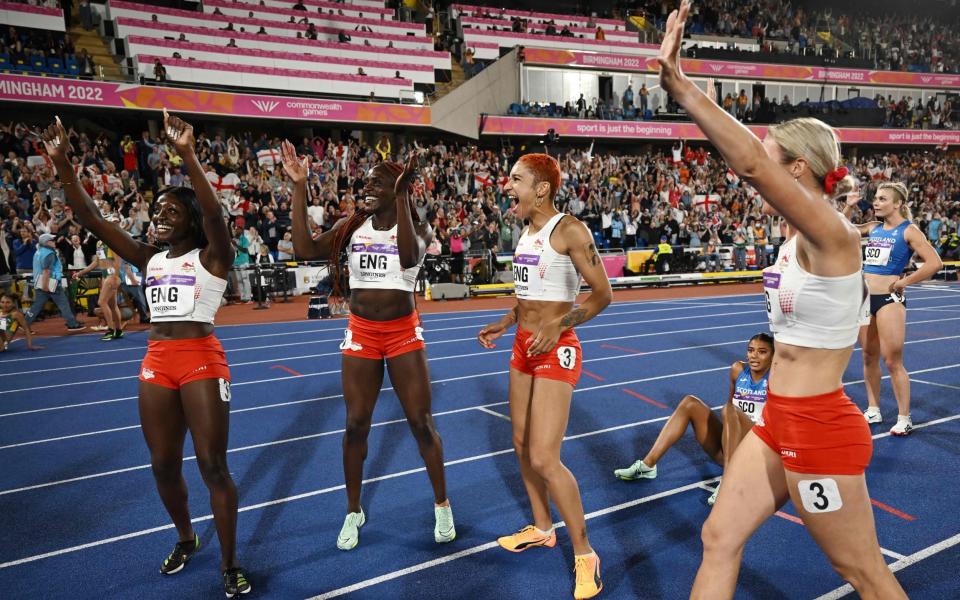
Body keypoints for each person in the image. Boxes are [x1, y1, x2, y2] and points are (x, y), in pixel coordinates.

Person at [658, 3, 907, 599]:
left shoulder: (833, 235)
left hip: (820, 427)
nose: (754, 168)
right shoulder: (797, 238)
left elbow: (744, 161)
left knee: (863, 573)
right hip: (777, 418)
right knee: (718, 537)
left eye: (770, 159)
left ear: (796, 168)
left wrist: (681, 84)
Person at [41, 112, 251, 598]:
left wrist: (189, 157)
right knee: (161, 464)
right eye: (155, 212)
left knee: (212, 465)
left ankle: (230, 562)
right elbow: (90, 217)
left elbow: (215, 215)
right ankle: (186, 537)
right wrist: (63, 166)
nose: (158, 217)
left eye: (169, 212)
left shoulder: (212, 255)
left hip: (201, 358)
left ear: (191, 222)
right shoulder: (147, 258)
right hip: (157, 362)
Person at [281, 140, 455, 551]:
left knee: (420, 423)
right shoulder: (352, 225)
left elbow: (410, 257)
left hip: (402, 333)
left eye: (377, 183)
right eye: (365, 183)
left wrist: (401, 197)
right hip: (361, 331)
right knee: (355, 424)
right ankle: (353, 510)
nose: (365, 188)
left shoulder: (417, 228)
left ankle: (442, 504)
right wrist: (299, 187)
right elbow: (305, 249)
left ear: (397, 188)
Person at [477, 153, 612, 600]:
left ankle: (585, 554)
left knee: (544, 458)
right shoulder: (526, 232)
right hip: (522, 346)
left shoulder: (569, 229)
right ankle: (541, 526)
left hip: (558, 349)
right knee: (518, 442)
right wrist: (505, 321)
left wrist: (560, 324)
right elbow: (530, 299)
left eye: (515, 179)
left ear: (542, 188)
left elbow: (603, 294)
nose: (506, 185)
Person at [615, 334, 774, 506]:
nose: (754, 356)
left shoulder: (777, 379)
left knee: (729, 409)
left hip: (757, 451)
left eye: (762, 352)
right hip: (731, 448)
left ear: (773, 357)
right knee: (690, 403)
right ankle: (648, 465)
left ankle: (729, 481)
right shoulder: (737, 370)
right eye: (751, 350)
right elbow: (730, 403)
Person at [843, 183, 942, 435]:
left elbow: (934, 263)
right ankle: (874, 409)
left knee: (892, 361)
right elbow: (842, 231)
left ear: (897, 204)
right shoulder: (873, 228)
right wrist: (848, 206)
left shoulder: (908, 231)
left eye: (882, 199)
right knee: (867, 356)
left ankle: (904, 417)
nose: (876, 202)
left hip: (888, 299)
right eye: (875, 198)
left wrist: (903, 282)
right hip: (864, 298)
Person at [23, 233, 85, 332]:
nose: (54, 242)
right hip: (50, 283)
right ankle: (72, 324)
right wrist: (45, 286)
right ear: (46, 242)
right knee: (64, 303)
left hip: (40, 282)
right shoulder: (49, 253)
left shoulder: (39, 251)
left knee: (37, 306)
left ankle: (25, 324)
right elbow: (46, 270)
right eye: (52, 240)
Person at [72, 236, 124, 340]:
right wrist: (80, 273)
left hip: (112, 275)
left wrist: (115, 277)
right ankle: (118, 331)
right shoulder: (99, 243)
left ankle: (110, 330)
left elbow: (118, 262)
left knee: (101, 302)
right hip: (106, 275)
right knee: (113, 305)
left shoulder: (112, 241)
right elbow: (96, 262)